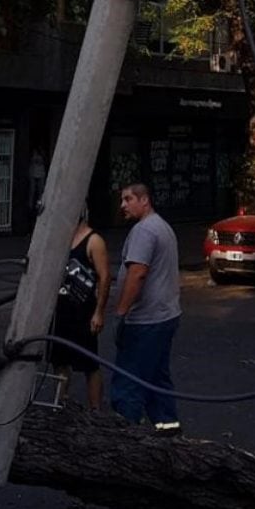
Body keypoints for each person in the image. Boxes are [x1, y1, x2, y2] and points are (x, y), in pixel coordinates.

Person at [110, 181, 181, 433]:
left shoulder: (144, 231)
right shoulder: (162, 227)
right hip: (165, 316)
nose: (123, 205)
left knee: (128, 382)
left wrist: (121, 312)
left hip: (145, 320)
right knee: (156, 379)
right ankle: (169, 432)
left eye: (128, 199)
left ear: (144, 200)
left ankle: (125, 438)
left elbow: (137, 273)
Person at [50, 209, 111, 409]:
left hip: (83, 311)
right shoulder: (63, 238)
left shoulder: (94, 241)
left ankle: (96, 410)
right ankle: (60, 403)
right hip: (61, 310)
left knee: (89, 363)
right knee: (60, 360)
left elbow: (104, 277)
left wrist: (99, 312)